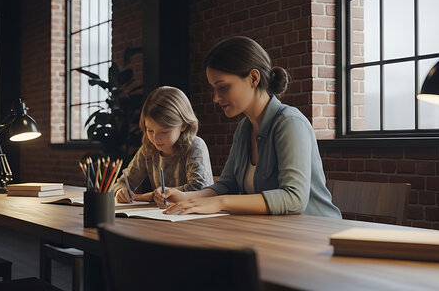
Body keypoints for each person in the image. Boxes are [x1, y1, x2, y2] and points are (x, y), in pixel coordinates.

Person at [159, 36, 341, 218]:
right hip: (275, 232)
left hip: (318, 234)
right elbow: (226, 185)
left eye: (222, 87)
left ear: (253, 78)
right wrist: (186, 197)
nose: (215, 98)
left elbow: (294, 198)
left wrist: (220, 202)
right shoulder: (244, 129)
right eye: (214, 89)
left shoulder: (290, 123)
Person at [114, 86, 213, 207]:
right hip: (163, 216)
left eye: (164, 132)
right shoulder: (148, 149)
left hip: (196, 216)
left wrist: (150, 196)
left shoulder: (195, 146)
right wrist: (121, 191)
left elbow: (198, 189)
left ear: (183, 125)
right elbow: (123, 182)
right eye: (150, 130)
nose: (155, 139)